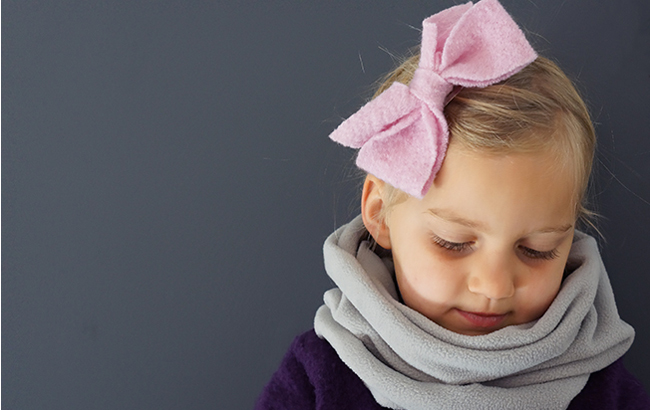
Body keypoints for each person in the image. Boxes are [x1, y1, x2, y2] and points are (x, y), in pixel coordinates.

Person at [255, 0, 650, 408]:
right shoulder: (320, 375)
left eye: (537, 250)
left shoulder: (605, 392)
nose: (494, 287)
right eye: (453, 242)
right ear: (379, 214)